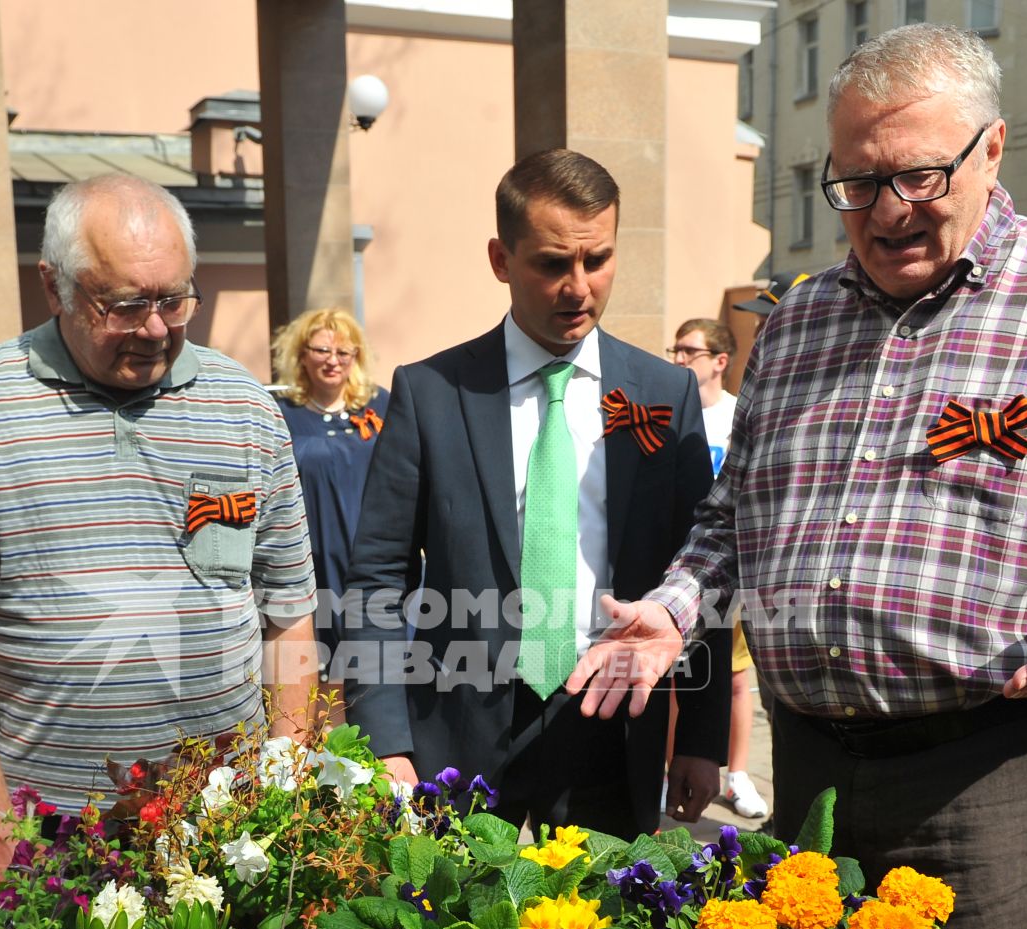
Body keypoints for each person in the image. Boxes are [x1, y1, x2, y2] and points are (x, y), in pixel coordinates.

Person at [568, 24, 1027, 929]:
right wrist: (674, 606)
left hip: (992, 784)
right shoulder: (798, 322)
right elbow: (736, 522)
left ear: (993, 150)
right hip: (809, 772)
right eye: (857, 184)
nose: (888, 211)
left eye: (920, 177)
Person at [0, 174, 318, 885]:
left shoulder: (244, 410)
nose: (156, 327)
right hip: (54, 830)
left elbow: (288, 610)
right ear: (53, 286)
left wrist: (284, 783)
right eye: (125, 304)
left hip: (226, 822)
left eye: (174, 298)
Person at [341, 149, 730, 840]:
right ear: (501, 258)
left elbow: (700, 564)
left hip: (613, 726)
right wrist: (382, 736)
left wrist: (700, 734)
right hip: (456, 737)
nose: (578, 287)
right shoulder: (433, 394)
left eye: (598, 259)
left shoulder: (664, 395)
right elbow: (376, 576)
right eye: (553, 263)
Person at [666, 316, 766, 823]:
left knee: (733, 673)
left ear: (720, 360)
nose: (679, 358)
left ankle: (739, 774)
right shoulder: (669, 412)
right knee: (676, 675)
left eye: (690, 350)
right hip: (681, 570)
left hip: (733, 567)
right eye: (675, 349)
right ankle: (672, 766)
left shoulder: (735, 415)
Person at [269, 308, 389, 694]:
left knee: (377, 663)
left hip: (371, 554)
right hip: (311, 558)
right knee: (318, 677)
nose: (333, 361)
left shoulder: (380, 405)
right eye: (322, 350)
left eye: (344, 352)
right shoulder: (280, 412)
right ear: (302, 354)